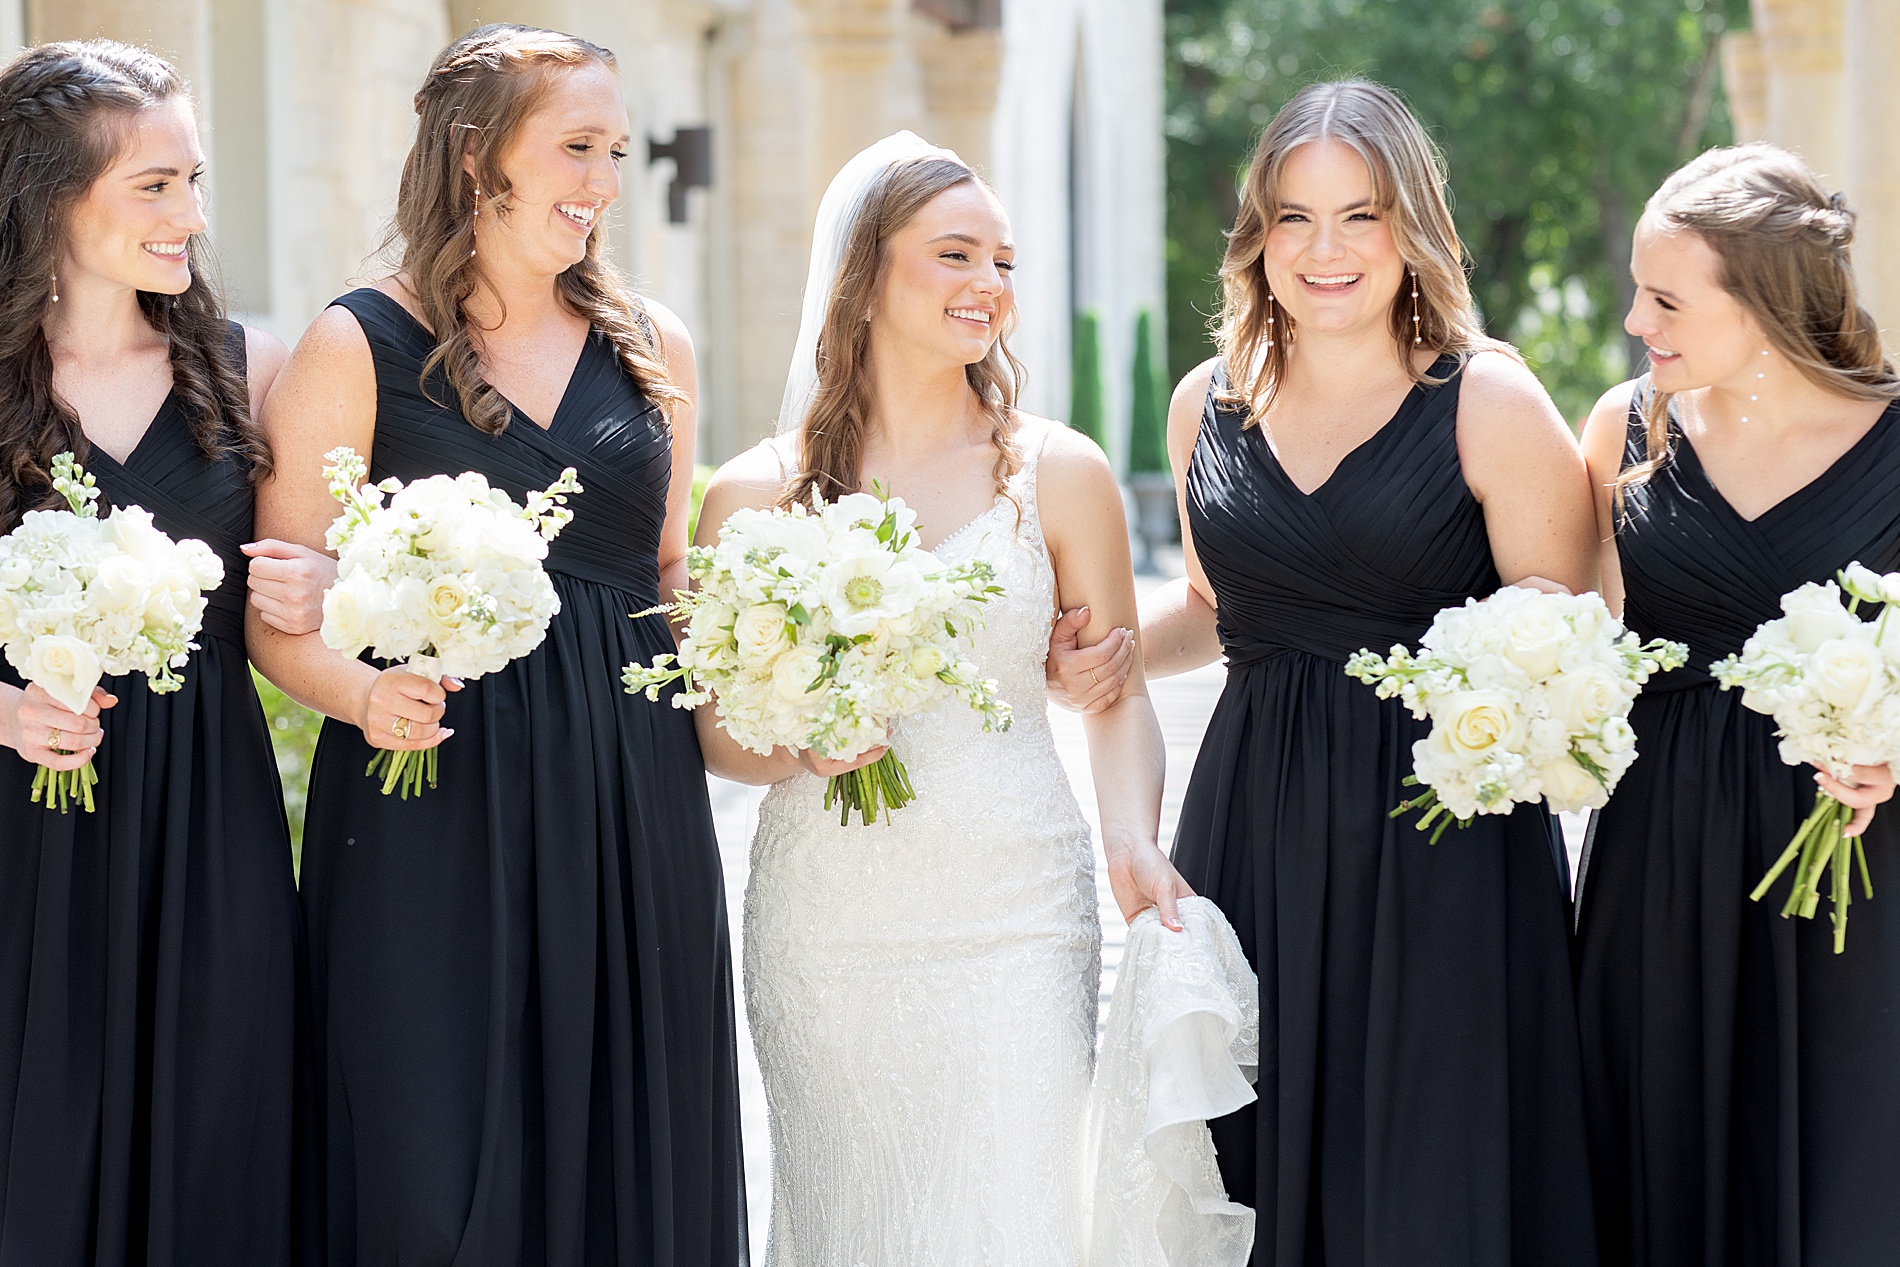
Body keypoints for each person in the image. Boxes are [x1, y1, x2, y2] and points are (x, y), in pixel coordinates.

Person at [1056, 79, 1602, 1264]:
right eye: (1294, 218)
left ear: (1411, 228)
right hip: (1251, 824)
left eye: (1359, 214)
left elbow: (1569, 637)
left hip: (1439, 841)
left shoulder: (1488, 401)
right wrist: (1097, 652)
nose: (1325, 249)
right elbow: (1217, 606)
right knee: (1263, 1151)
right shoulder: (1209, 402)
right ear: (1257, 236)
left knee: (1424, 1162)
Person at [248, 25, 744, 1264]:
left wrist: (772, 688)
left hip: (631, 799)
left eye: (616, 151)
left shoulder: (654, 345)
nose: (604, 183)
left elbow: (668, 569)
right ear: (479, 158)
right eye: (576, 146)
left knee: (630, 1137)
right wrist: (364, 699)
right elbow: (278, 610)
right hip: (433, 799)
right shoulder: (355, 346)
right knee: (433, 1146)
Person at [695, 132, 1194, 1264]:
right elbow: (720, 734)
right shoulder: (751, 494)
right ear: (864, 277)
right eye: (957, 255)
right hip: (828, 926)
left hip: (1016, 909)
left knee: (1017, 1219)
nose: (992, 286)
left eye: (1006, 263)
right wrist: (804, 745)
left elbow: (1112, 696)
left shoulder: (1056, 472)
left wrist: (1131, 839)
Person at [0, 39, 328, 1265]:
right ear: (47, 196)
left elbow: (307, 597)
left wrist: (329, 582)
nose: (191, 214)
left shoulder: (250, 370)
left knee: (220, 1143)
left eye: (195, 179)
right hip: (24, 829)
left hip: (211, 830)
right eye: (154, 184)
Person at [1572, 143, 1900, 1267]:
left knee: (1847, 1160)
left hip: (1850, 855)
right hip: (1657, 851)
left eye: (1662, 298)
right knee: (1654, 1141)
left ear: (1760, 301)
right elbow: (1573, 633)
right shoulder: (1623, 429)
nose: (1632, 320)